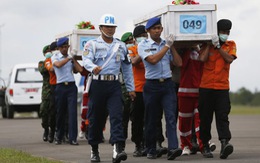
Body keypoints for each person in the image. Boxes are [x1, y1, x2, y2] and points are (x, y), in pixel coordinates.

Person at [82, 14, 136, 163]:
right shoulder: (92, 44)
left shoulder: (121, 45)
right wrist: (93, 68)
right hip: (98, 85)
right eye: (107, 27)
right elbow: (86, 60)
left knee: (117, 115)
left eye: (113, 27)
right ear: (100, 28)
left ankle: (117, 149)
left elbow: (127, 68)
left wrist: (131, 88)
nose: (110, 29)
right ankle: (94, 149)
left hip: (114, 85)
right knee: (96, 119)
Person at [138, 17, 182, 160]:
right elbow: (153, 60)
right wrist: (167, 47)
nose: (157, 31)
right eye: (154, 29)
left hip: (168, 84)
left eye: (159, 28)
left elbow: (178, 63)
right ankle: (151, 148)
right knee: (152, 118)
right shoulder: (143, 45)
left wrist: (172, 45)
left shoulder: (166, 44)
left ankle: (173, 148)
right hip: (152, 85)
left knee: (170, 117)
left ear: (162, 29)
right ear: (148, 31)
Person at [198, 19, 236, 159]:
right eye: (222, 32)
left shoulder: (230, 45)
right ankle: (205, 146)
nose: (225, 34)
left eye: (227, 32)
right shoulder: (206, 45)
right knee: (205, 118)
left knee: (222, 117)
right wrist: (209, 45)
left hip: (222, 87)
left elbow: (229, 59)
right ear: (216, 32)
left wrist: (219, 46)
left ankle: (225, 143)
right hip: (206, 87)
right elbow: (202, 59)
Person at [51, 37, 82, 145]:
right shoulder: (55, 57)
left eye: (66, 47)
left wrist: (73, 59)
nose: (65, 49)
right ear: (59, 48)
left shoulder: (70, 58)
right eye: (63, 47)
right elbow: (58, 65)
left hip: (71, 87)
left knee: (72, 113)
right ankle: (59, 136)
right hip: (60, 87)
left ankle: (72, 138)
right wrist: (69, 59)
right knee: (60, 113)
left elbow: (80, 70)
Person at [120, 32, 134, 141]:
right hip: (124, 90)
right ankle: (121, 141)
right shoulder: (120, 56)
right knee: (123, 118)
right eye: (127, 43)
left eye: (131, 42)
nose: (130, 44)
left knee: (136, 117)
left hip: (136, 88)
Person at [44, 41, 57, 143]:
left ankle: (63, 133)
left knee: (64, 112)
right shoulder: (48, 60)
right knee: (51, 111)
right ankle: (50, 132)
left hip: (63, 86)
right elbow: (51, 68)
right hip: (52, 87)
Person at [38, 45, 52, 142]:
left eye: (50, 51)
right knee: (44, 111)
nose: (49, 52)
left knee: (54, 113)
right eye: (47, 51)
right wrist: (48, 60)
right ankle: (46, 129)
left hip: (55, 90)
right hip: (46, 92)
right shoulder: (42, 63)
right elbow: (43, 70)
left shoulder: (56, 61)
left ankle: (52, 131)